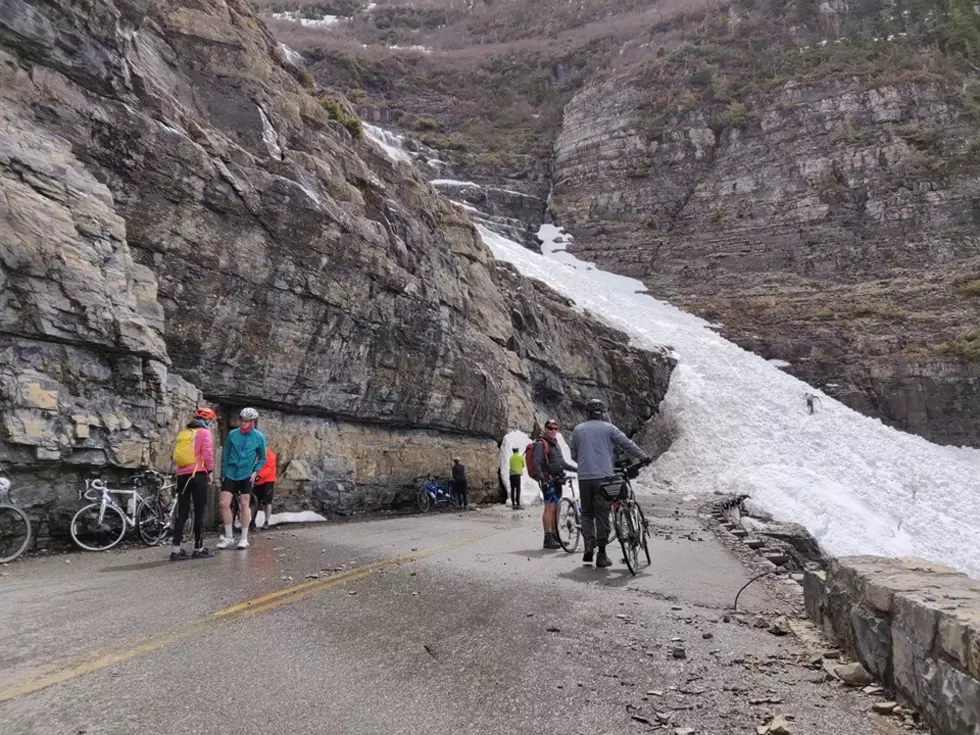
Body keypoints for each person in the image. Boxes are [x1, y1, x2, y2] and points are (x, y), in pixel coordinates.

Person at [570, 399, 650, 568]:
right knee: (602, 514)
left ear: (588, 413)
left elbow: (574, 455)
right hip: (603, 478)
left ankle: (588, 547)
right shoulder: (609, 428)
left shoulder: (578, 430)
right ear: (603, 413)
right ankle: (602, 554)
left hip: (584, 477)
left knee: (586, 513)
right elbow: (627, 443)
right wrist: (643, 456)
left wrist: (585, 463)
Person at [170, 407, 216, 561]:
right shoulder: (204, 433)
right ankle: (198, 548)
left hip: (182, 476)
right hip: (198, 474)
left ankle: (176, 550)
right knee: (199, 512)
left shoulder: (183, 433)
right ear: (207, 420)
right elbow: (207, 454)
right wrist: (209, 471)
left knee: (181, 512)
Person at [217, 407, 267, 549]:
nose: (243, 423)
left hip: (246, 474)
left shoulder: (258, 437)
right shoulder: (233, 434)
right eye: (242, 421)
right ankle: (228, 537)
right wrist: (225, 471)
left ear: (252, 422)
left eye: (247, 421)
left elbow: (263, 458)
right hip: (231, 473)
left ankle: (244, 538)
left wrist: (255, 471)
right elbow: (226, 454)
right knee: (224, 504)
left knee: (245, 503)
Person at [533, 419, 577, 549]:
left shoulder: (555, 444)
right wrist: (543, 480)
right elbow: (536, 464)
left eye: (555, 429)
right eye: (550, 428)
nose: (553, 431)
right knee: (549, 509)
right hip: (549, 481)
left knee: (556, 509)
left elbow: (562, 463)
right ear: (545, 429)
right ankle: (547, 538)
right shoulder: (542, 444)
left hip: (558, 481)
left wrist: (577, 469)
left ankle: (554, 535)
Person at [253, 447, 277, 531]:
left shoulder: (270, 454)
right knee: (254, 501)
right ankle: (252, 521)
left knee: (267, 501)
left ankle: (266, 521)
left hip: (268, 480)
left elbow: (269, 468)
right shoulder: (253, 453)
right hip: (257, 480)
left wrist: (259, 476)